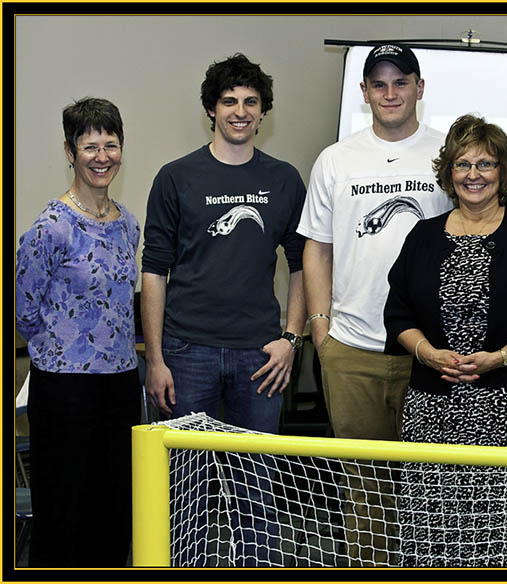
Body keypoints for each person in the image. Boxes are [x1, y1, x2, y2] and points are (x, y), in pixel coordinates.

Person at [384, 114, 507, 566]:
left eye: (485, 164)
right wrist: (427, 354)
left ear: (503, 172)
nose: (474, 175)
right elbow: (398, 314)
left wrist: (500, 358)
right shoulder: (424, 236)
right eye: (462, 164)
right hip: (436, 410)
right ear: (448, 173)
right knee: (440, 530)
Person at [141, 53, 307, 566]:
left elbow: (304, 264)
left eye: (251, 102)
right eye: (229, 101)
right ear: (212, 109)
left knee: (256, 494)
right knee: (186, 491)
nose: (240, 111)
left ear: (264, 112)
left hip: (261, 357)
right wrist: (157, 359)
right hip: (186, 354)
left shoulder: (284, 180)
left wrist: (291, 337)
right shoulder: (176, 177)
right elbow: (154, 271)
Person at [298, 43, 453, 566]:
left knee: (433, 488)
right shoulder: (336, 159)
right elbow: (316, 247)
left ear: (420, 88)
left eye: (401, 82)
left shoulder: (449, 155)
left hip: (431, 354)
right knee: (365, 496)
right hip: (352, 352)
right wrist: (322, 332)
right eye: (379, 84)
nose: (390, 93)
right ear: (364, 93)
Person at [16, 97, 141, 566]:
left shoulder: (128, 224)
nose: (102, 156)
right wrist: (64, 348)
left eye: (111, 144)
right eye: (90, 146)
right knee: (66, 512)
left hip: (121, 386)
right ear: (70, 151)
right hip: (65, 390)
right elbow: (23, 310)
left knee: (115, 509)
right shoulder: (50, 228)